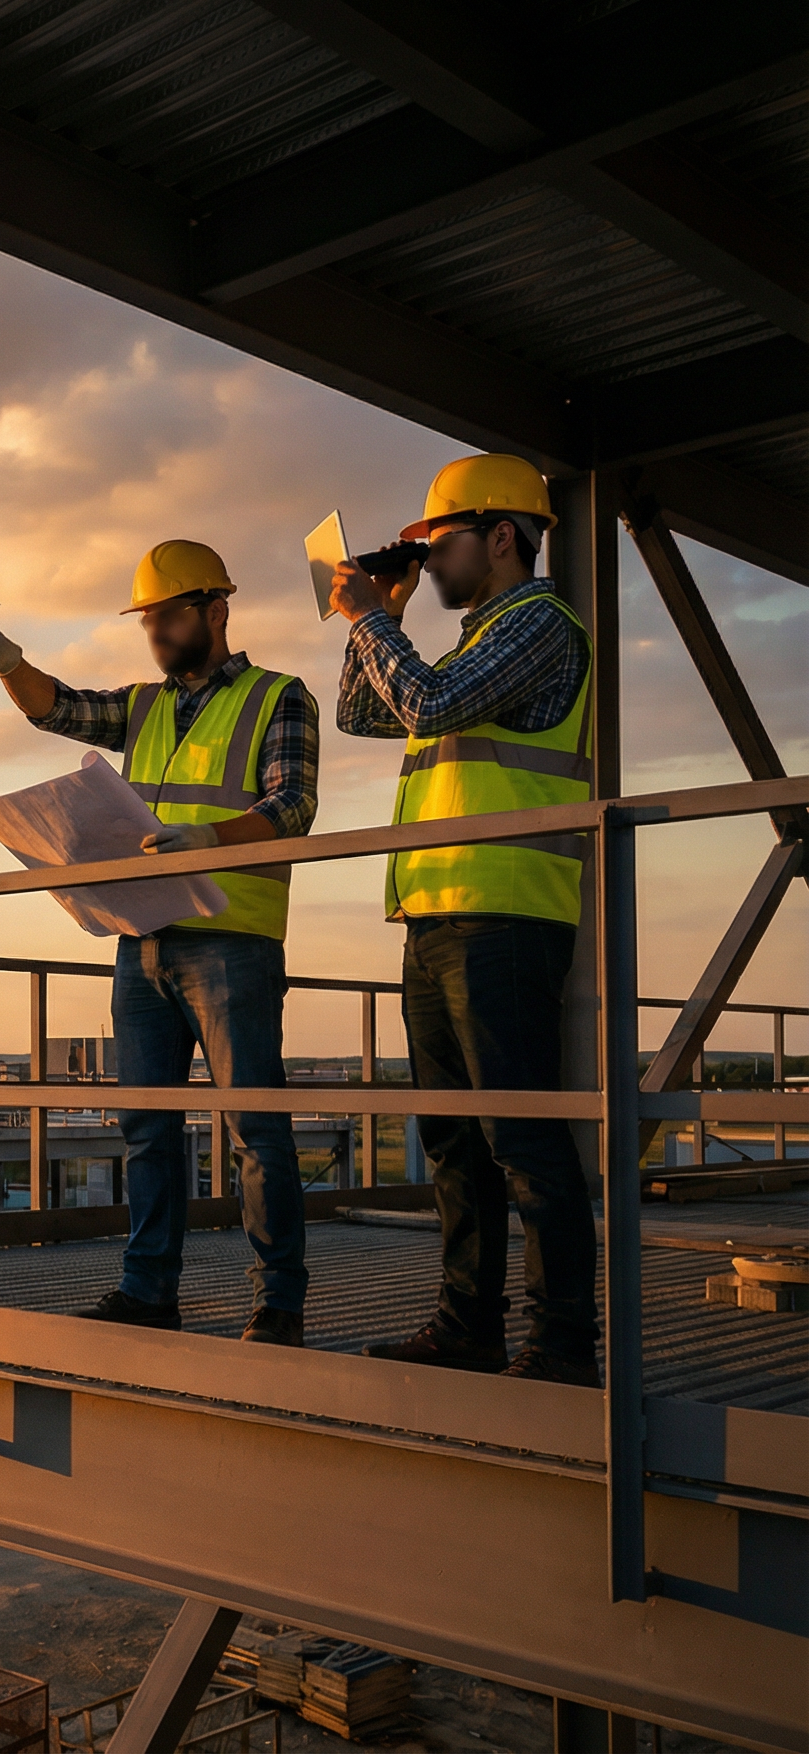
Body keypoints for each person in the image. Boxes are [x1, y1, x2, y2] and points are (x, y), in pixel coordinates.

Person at [0, 541, 317, 1345]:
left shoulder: (278, 697)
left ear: (216, 611)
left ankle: (279, 1305)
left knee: (255, 1128)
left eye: (167, 614)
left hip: (233, 941)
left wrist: (211, 838)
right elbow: (64, 709)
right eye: (148, 618)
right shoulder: (146, 706)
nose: (154, 630)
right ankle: (148, 1290)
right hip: (143, 942)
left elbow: (294, 805)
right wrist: (12, 663)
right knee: (145, 1127)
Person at [332, 453, 599, 1387]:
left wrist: (371, 616)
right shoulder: (467, 641)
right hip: (436, 917)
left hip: (506, 919)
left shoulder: (540, 628)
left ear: (501, 538)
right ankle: (468, 1326)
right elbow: (365, 713)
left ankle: (562, 1347)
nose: (429, 559)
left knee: (520, 1140)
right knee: (452, 1138)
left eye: (438, 544)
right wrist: (385, 615)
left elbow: (430, 702)